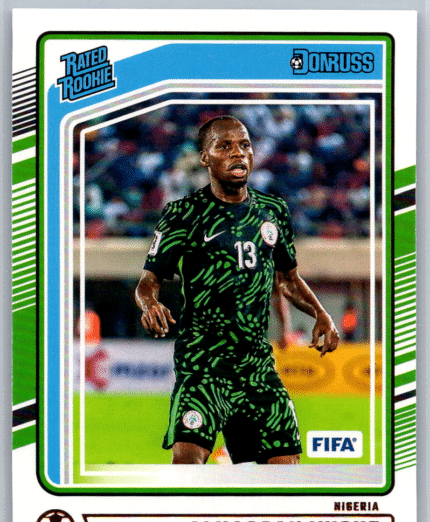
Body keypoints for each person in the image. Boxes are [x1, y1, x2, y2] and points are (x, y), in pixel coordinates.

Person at [135, 115, 339, 465]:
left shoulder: (273, 211)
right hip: (203, 366)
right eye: (225, 146)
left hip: (256, 367)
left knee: (286, 475)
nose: (238, 153)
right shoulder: (184, 214)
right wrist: (149, 303)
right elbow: (148, 281)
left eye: (244, 145)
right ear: (205, 158)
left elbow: (288, 279)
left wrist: (321, 313)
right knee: (187, 469)